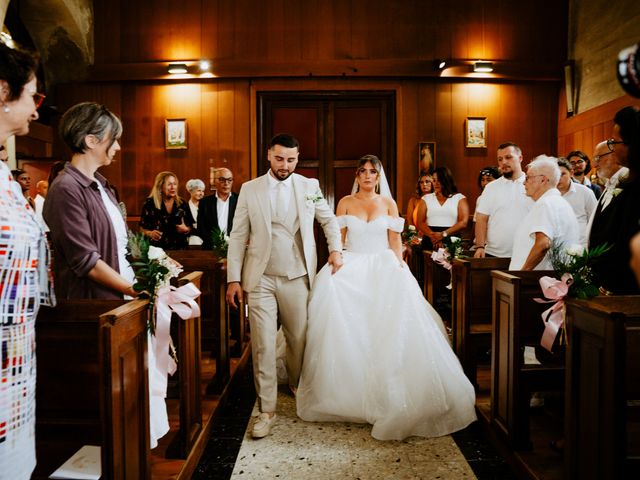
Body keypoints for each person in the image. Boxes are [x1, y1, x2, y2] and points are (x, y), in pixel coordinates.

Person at [296, 155, 477, 441]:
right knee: (342, 322)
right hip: (351, 263)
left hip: (382, 264)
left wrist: (399, 264)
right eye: (363, 171)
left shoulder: (389, 204)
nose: (368, 176)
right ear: (357, 175)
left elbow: (394, 240)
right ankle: (345, 392)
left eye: (373, 172)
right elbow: (339, 237)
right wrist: (336, 259)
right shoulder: (345, 202)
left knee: (391, 325)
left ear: (379, 177)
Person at [225, 133, 343, 438]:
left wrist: (335, 250)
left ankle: (297, 383)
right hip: (260, 277)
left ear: (297, 158)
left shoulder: (310, 187)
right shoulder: (250, 190)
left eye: (291, 160)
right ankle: (267, 410)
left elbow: (328, 221)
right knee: (263, 343)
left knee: (299, 338)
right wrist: (234, 279)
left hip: (297, 275)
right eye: (279, 159)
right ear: (268, 155)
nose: (285, 165)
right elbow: (238, 236)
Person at [0, 40, 53, 480]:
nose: (37, 111)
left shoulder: (3, 175)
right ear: (3, 91)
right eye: (32, 96)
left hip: (15, 360)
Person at [44, 102, 137, 300]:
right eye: (114, 139)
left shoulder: (103, 185)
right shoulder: (66, 188)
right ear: (91, 141)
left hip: (123, 292)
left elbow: (122, 242)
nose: (118, 147)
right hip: (95, 302)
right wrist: (131, 289)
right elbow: (85, 260)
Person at [588, 106, 640, 294]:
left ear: (632, 144)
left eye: (614, 142)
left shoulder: (634, 192)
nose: (613, 147)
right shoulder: (624, 187)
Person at [509, 156, 579, 270]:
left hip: (536, 282)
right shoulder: (555, 201)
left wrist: (523, 273)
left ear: (542, 180)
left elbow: (543, 244)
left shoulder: (546, 203)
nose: (523, 183)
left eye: (528, 178)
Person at [474, 142, 533, 258]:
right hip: (494, 253)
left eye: (508, 157)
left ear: (520, 158)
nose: (504, 162)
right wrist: (480, 246)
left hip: (526, 254)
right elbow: (481, 219)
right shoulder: (491, 187)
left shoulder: (533, 184)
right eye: (500, 159)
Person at [415, 166, 469, 249]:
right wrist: (433, 236)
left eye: (439, 180)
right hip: (430, 239)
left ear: (446, 180)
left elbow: (463, 222)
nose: (436, 183)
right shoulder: (426, 198)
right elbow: (420, 222)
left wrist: (443, 234)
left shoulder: (459, 198)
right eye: (434, 180)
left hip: (451, 238)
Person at [139, 171, 194, 250]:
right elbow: (142, 229)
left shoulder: (182, 203)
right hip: (158, 251)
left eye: (174, 184)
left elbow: (191, 228)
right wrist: (150, 233)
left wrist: (186, 229)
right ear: (160, 186)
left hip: (180, 249)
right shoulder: (150, 203)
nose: (173, 187)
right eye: (169, 184)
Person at [556, 157, 596, 247]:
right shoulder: (548, 195)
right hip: (556, 247)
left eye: (562, 174)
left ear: (571, 173)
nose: (559, 178)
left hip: (580, 246)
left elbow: (595, 220)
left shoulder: (585, 192)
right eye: (556, 175)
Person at [198, 167, 238, 250]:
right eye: (222, 180)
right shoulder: (205, 202)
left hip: (235, 248)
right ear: (214, 181)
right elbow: (201, 228)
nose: (226, 183)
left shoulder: (240, 200)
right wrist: (215, 243)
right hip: (211, 249)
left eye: (229, 180)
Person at [185, 178, 205, 246]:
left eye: (203, 191)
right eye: (199, 190)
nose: (201, 193)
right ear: (191, 191)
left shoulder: (206, 207)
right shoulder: (185, 207)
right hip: (192, 240)